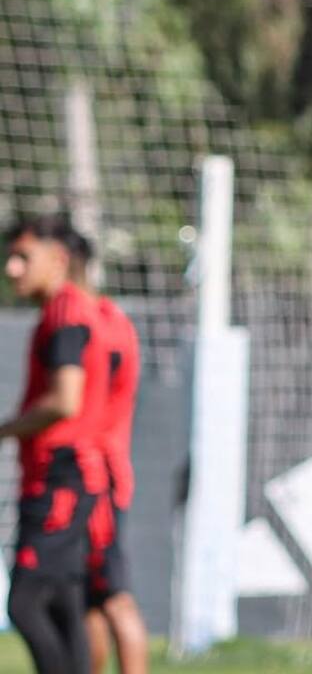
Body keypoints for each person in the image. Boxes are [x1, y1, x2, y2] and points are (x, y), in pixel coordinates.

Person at [2, 216, 113, 674]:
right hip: (72, 476)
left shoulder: (67, 312)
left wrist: (8, 429)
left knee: (25, 604)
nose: (11, 269)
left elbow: (66, 400)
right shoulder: (72, 310)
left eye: (23, 257)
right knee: (67, 601)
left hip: (61, 477)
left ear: (58, 259)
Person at [64, 234, 150, 674]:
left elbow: (73, 403)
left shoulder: (86, 323)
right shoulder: (114, 319)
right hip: (102, 470)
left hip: (94, 474)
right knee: (90, 597)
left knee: (113, 595)